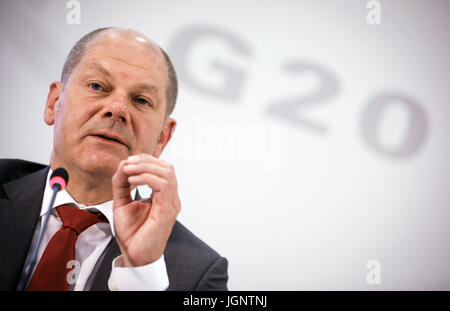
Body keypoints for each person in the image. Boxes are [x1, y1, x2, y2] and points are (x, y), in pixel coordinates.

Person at [0, 27, 228, 291]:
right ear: (53, 102)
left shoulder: (198, 274)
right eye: (97, 86)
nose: (118, 109)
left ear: (162, 137)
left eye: (141, 100)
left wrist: (140, 271)